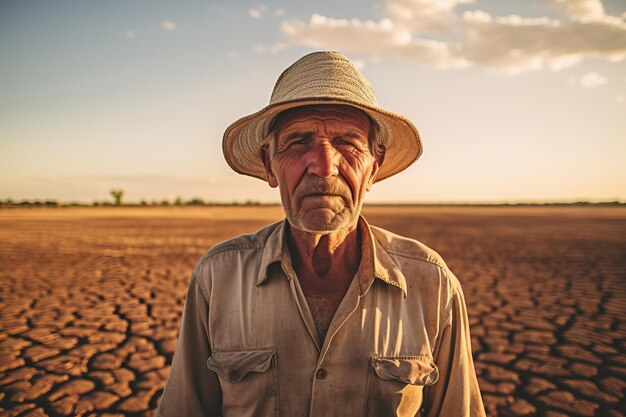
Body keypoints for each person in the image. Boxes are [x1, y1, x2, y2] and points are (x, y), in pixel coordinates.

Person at [156, 51, 486, 417]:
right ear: (269, 165)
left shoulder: (432, 283)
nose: (325, 165)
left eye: (348, 142)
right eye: (298, 141)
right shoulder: (218, 276)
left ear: (373, 168)